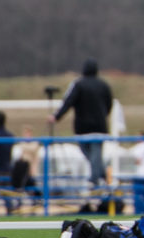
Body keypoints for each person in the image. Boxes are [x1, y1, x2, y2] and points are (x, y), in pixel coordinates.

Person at [48, 58, 113, 188]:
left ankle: (95, 180)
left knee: (91, 154)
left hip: (82, 127)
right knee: (95, 155)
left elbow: (68, 102)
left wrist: (56, 116)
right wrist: (103, 115)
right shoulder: (104, 85)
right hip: (100, 126)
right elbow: (109, 104)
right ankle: (102, 175)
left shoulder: (78, 84)